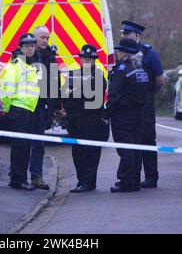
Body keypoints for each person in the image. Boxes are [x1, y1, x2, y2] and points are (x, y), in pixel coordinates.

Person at [120, 21, 165, 189]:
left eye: (127, 33)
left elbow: (160, 80)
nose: (124, 36)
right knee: (133, 140)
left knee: (147, 139)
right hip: (129, 104)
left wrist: (148, 94)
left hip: (145, 103)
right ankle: (133, 177)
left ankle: (151, 177)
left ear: (137, 35)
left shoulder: (149, 53)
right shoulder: (123, 51)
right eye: (123, 33)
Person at [62, 45, 108, 193]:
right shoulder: (73, 74)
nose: (86, 60)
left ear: (94, 60)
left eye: (89, 58)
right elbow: (63, 94)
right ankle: (81, 181)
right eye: (84, 57)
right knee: (77, 153)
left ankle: (88, 183)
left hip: (91, 121)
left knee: (90, 153)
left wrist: (74, 92)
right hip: (74, 121)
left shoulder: (99, 75)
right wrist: (76, 93)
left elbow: (93, 98)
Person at [105, 38, 150, 193]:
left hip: (122, 116)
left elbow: (114, 96)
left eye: (120, 50)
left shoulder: (121, 70)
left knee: (125, 149)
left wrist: (106, 113)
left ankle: (126, 181)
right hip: (138, 114)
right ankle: (135, 180)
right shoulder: (140, 69)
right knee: (135, 147)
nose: (117, 52)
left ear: (126, 53)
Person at [0, 33, 40, 191]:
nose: (30, 48)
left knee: (24, 147)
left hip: (28, 110)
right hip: (19, 110)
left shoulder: (29, 65)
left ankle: (19, 178)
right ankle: (18, 179)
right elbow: (7, 90)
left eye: (32, 46)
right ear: (20, 48)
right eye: (27, 46)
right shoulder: (16, 65)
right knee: (20, 147)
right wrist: (9, 110)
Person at [28, 25, 60, 190]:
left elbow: (55, 84)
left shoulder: (50, 57)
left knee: (38, 143)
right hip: (25, 106)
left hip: (41, 106)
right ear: (34, 38)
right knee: (22, 142)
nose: (45, 41)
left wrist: (54, 108)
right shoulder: (24, 55)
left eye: (47, 38)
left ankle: (36, 177)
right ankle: (17, 177)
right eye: (42, 37)